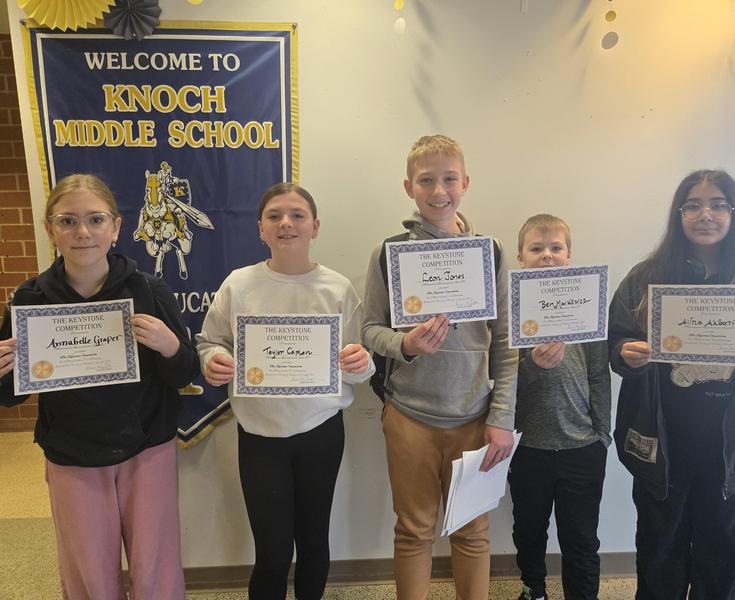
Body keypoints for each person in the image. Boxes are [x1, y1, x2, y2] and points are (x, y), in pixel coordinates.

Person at [0, 174, 198, 600]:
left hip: (147, 448)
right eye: (67, 221)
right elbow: (10, 396)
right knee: (89, 572)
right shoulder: (29, 300)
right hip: (72, 453)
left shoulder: (149, 289)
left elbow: (184, 373)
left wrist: (169, 348)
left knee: (155, 569)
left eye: (95, 219)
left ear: (116, 227)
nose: (83, 232)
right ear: (50, 228)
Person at [608, 170, 735, 600]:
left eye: (717, 204)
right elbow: (615, 340)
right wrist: (625, 353)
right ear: (679, 215)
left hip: (731, 451)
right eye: (692, 205)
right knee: (658, 555)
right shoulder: (645, 279)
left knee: (723, 557)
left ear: (734, 214)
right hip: (662, 444)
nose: (705, 214)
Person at [195, 182, 374, 600]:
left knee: (313, 543)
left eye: (296, 215)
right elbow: (209, 342)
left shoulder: (338, 288)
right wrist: (211, 361)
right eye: (274, 215)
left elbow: (358, 360)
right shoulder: (238, 285)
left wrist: (361, 364)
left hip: (321, 432)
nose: (286, 223)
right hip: (259, 436)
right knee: (273, 553)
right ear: (260, 228)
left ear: (315, 226)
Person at [361, 134, 518, 600]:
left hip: (475, 418)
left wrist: (502, 418)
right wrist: (405, 343)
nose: (438, 190)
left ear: (465, 183)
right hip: (409, 416)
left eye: (449, 178)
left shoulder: (489, 254)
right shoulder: (389, 254)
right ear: (408, 186)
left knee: (472, 532)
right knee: (413, 531)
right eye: (426, 180)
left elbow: (507, 345)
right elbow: (369, 330)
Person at [509, 214, 611, 600]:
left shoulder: (587, 303)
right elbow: (499, 381)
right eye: (536, 249)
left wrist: (602, 433)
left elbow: (600, 374)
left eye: (556, 248)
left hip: (582, 447)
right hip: (528, 446)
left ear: (569, 254)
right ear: (521, 257)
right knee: (528, 530)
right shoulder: (510, 310)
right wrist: (533, 364)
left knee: (581, 538)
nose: (547, 256)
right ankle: (532, 589)